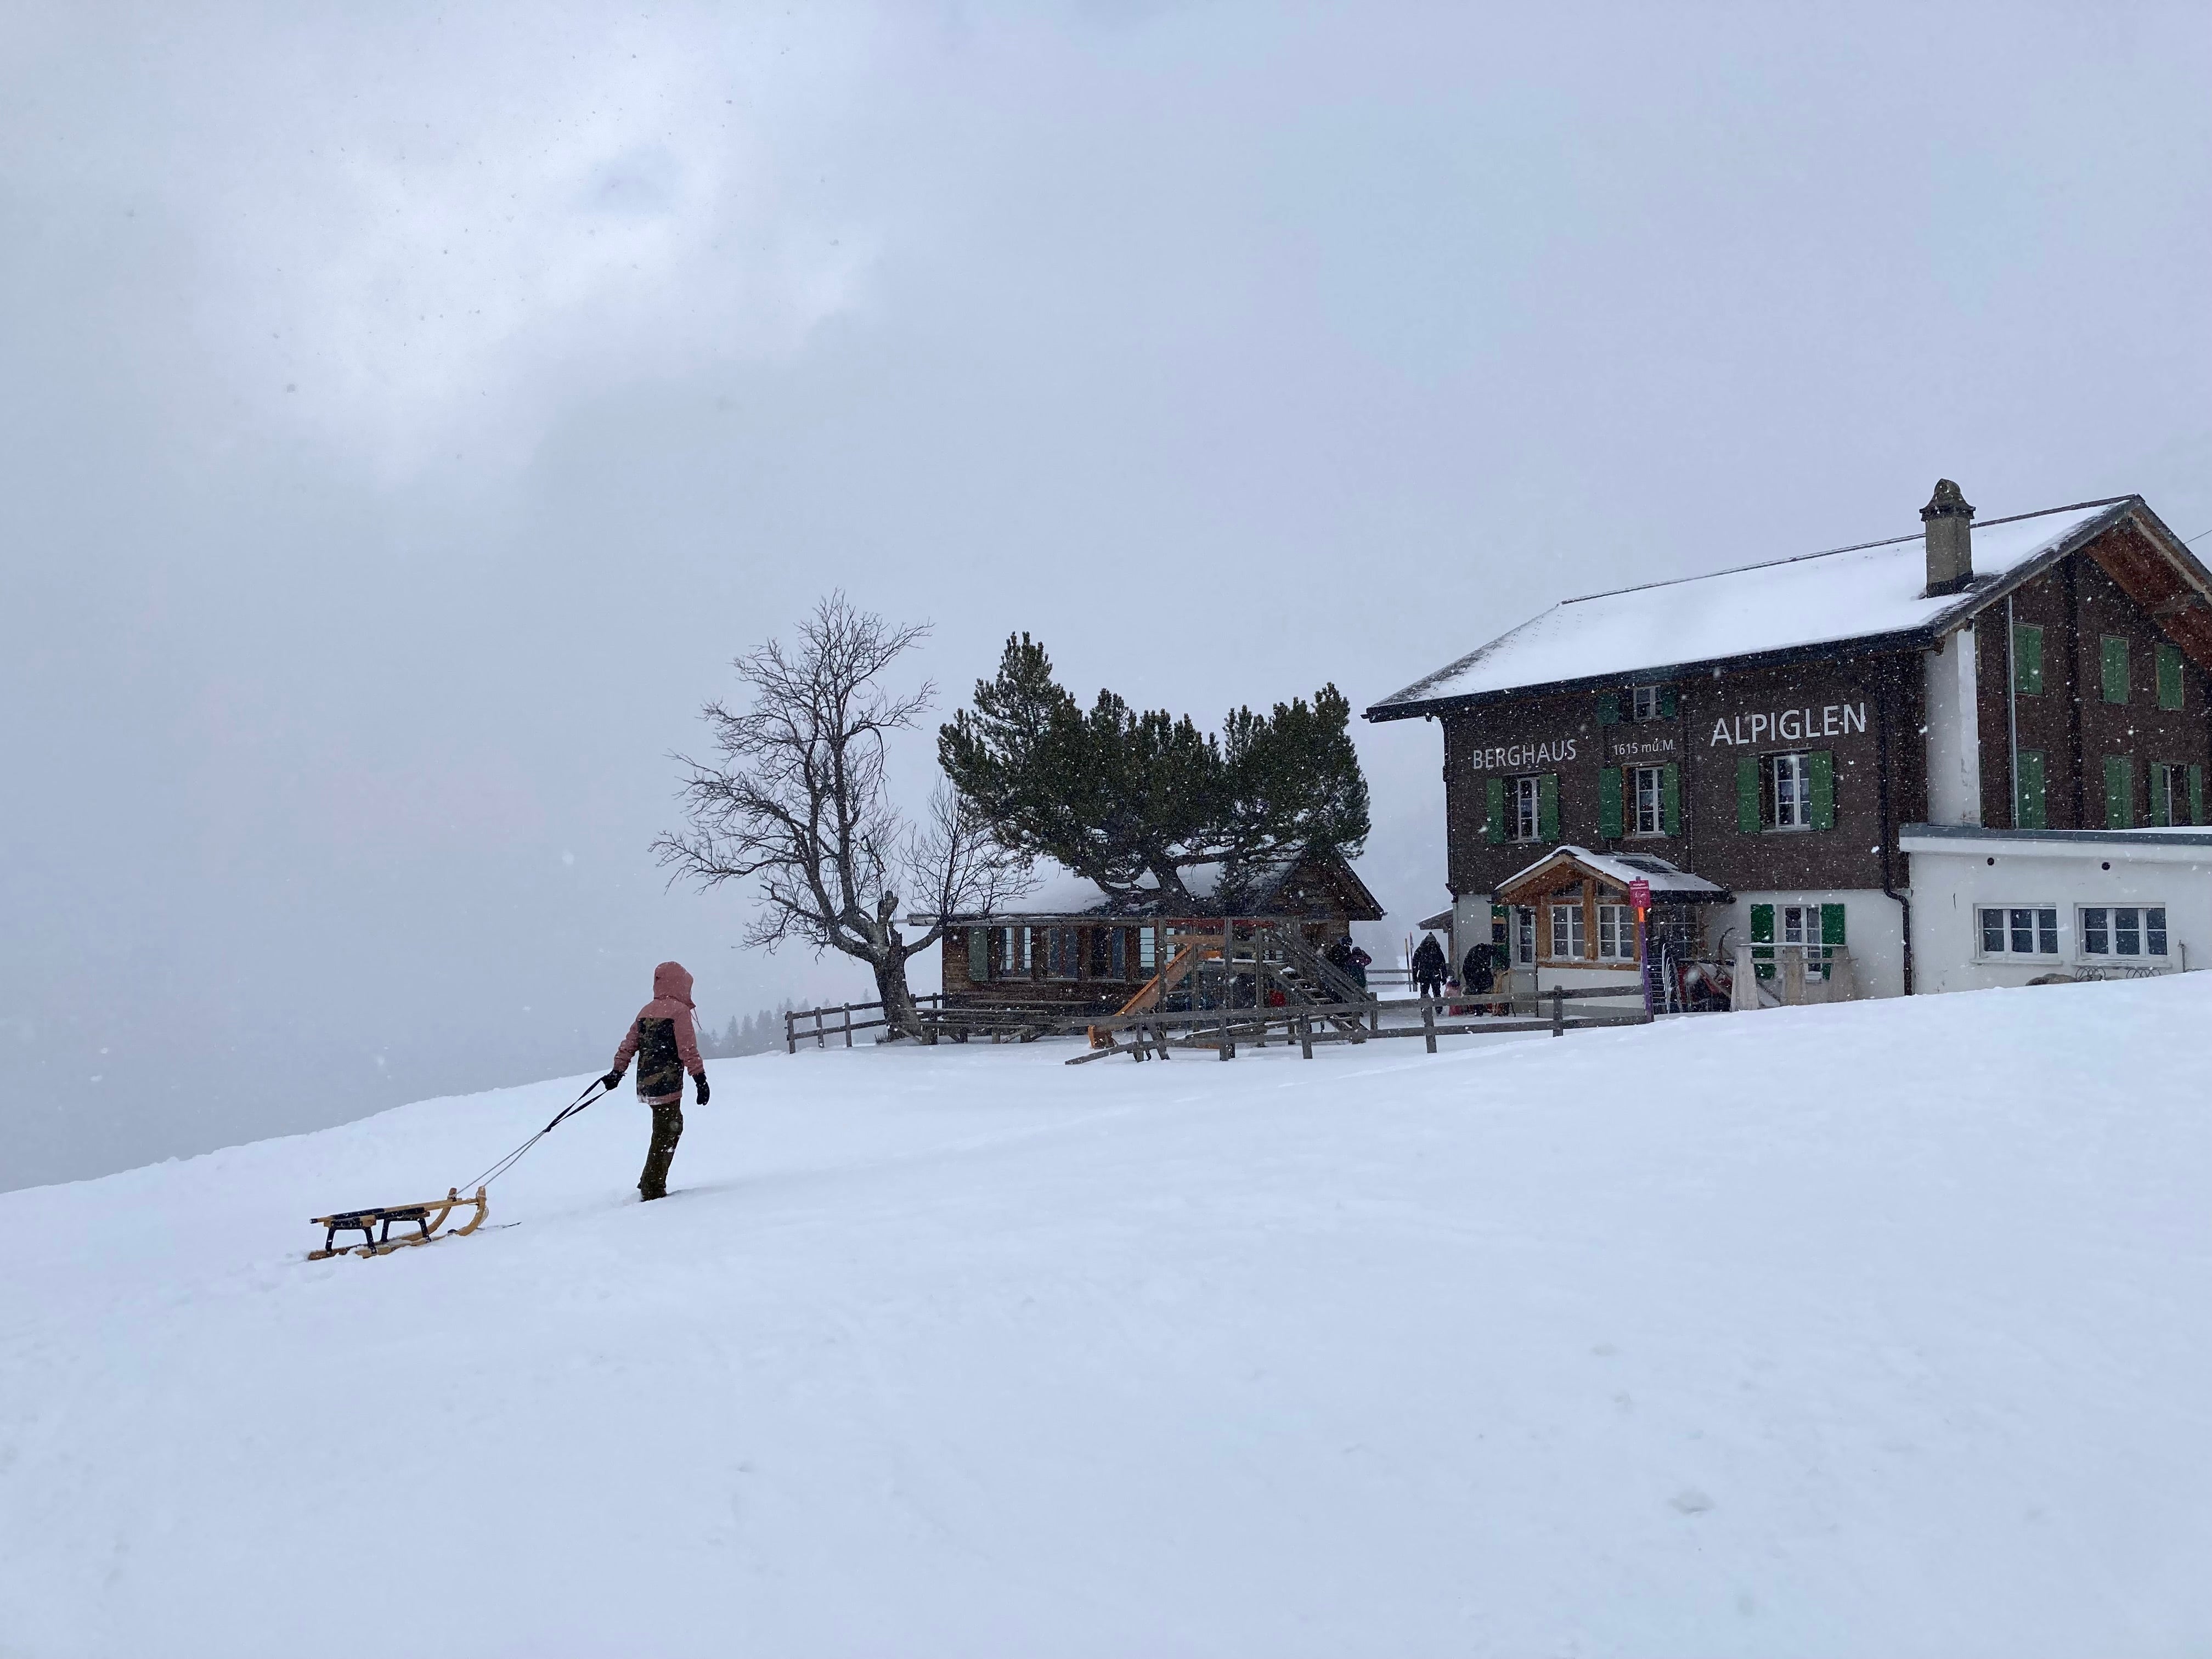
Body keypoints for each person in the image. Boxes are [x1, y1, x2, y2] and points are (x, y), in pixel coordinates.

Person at [601, 960, 710, 1202]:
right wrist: (700, 1079)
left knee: (666, 1128)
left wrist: (617, 1072)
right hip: (667, 1081)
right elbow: (687, 1049)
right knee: (668, 1130)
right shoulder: (679, 1012)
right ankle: (652, 1187)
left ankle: (650, 1179)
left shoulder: (646, 1011)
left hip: (646, 1083)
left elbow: (629, 1044)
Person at [1411, 932, 1448, 1000]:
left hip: (1426, 974)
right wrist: (1444, 976)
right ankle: (1436, 1008)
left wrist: (1415, 976)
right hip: (1432, 974)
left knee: (1428, 994)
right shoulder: (1436, 950)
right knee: (1435, 994)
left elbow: (1415, 964)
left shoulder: (1421, 950)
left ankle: (1428, 1008)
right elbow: (1442, 964)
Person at [1462, 941, 1496, 1013]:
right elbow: (1466, 967)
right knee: (1477, 992)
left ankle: (1479, 1009)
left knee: (1478, 992)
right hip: (1476, 976)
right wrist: (1469, 980)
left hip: (1482, 975)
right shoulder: (1473, 952)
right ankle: (1478, 1009)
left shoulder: (1488, 949)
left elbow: (1498, 954)